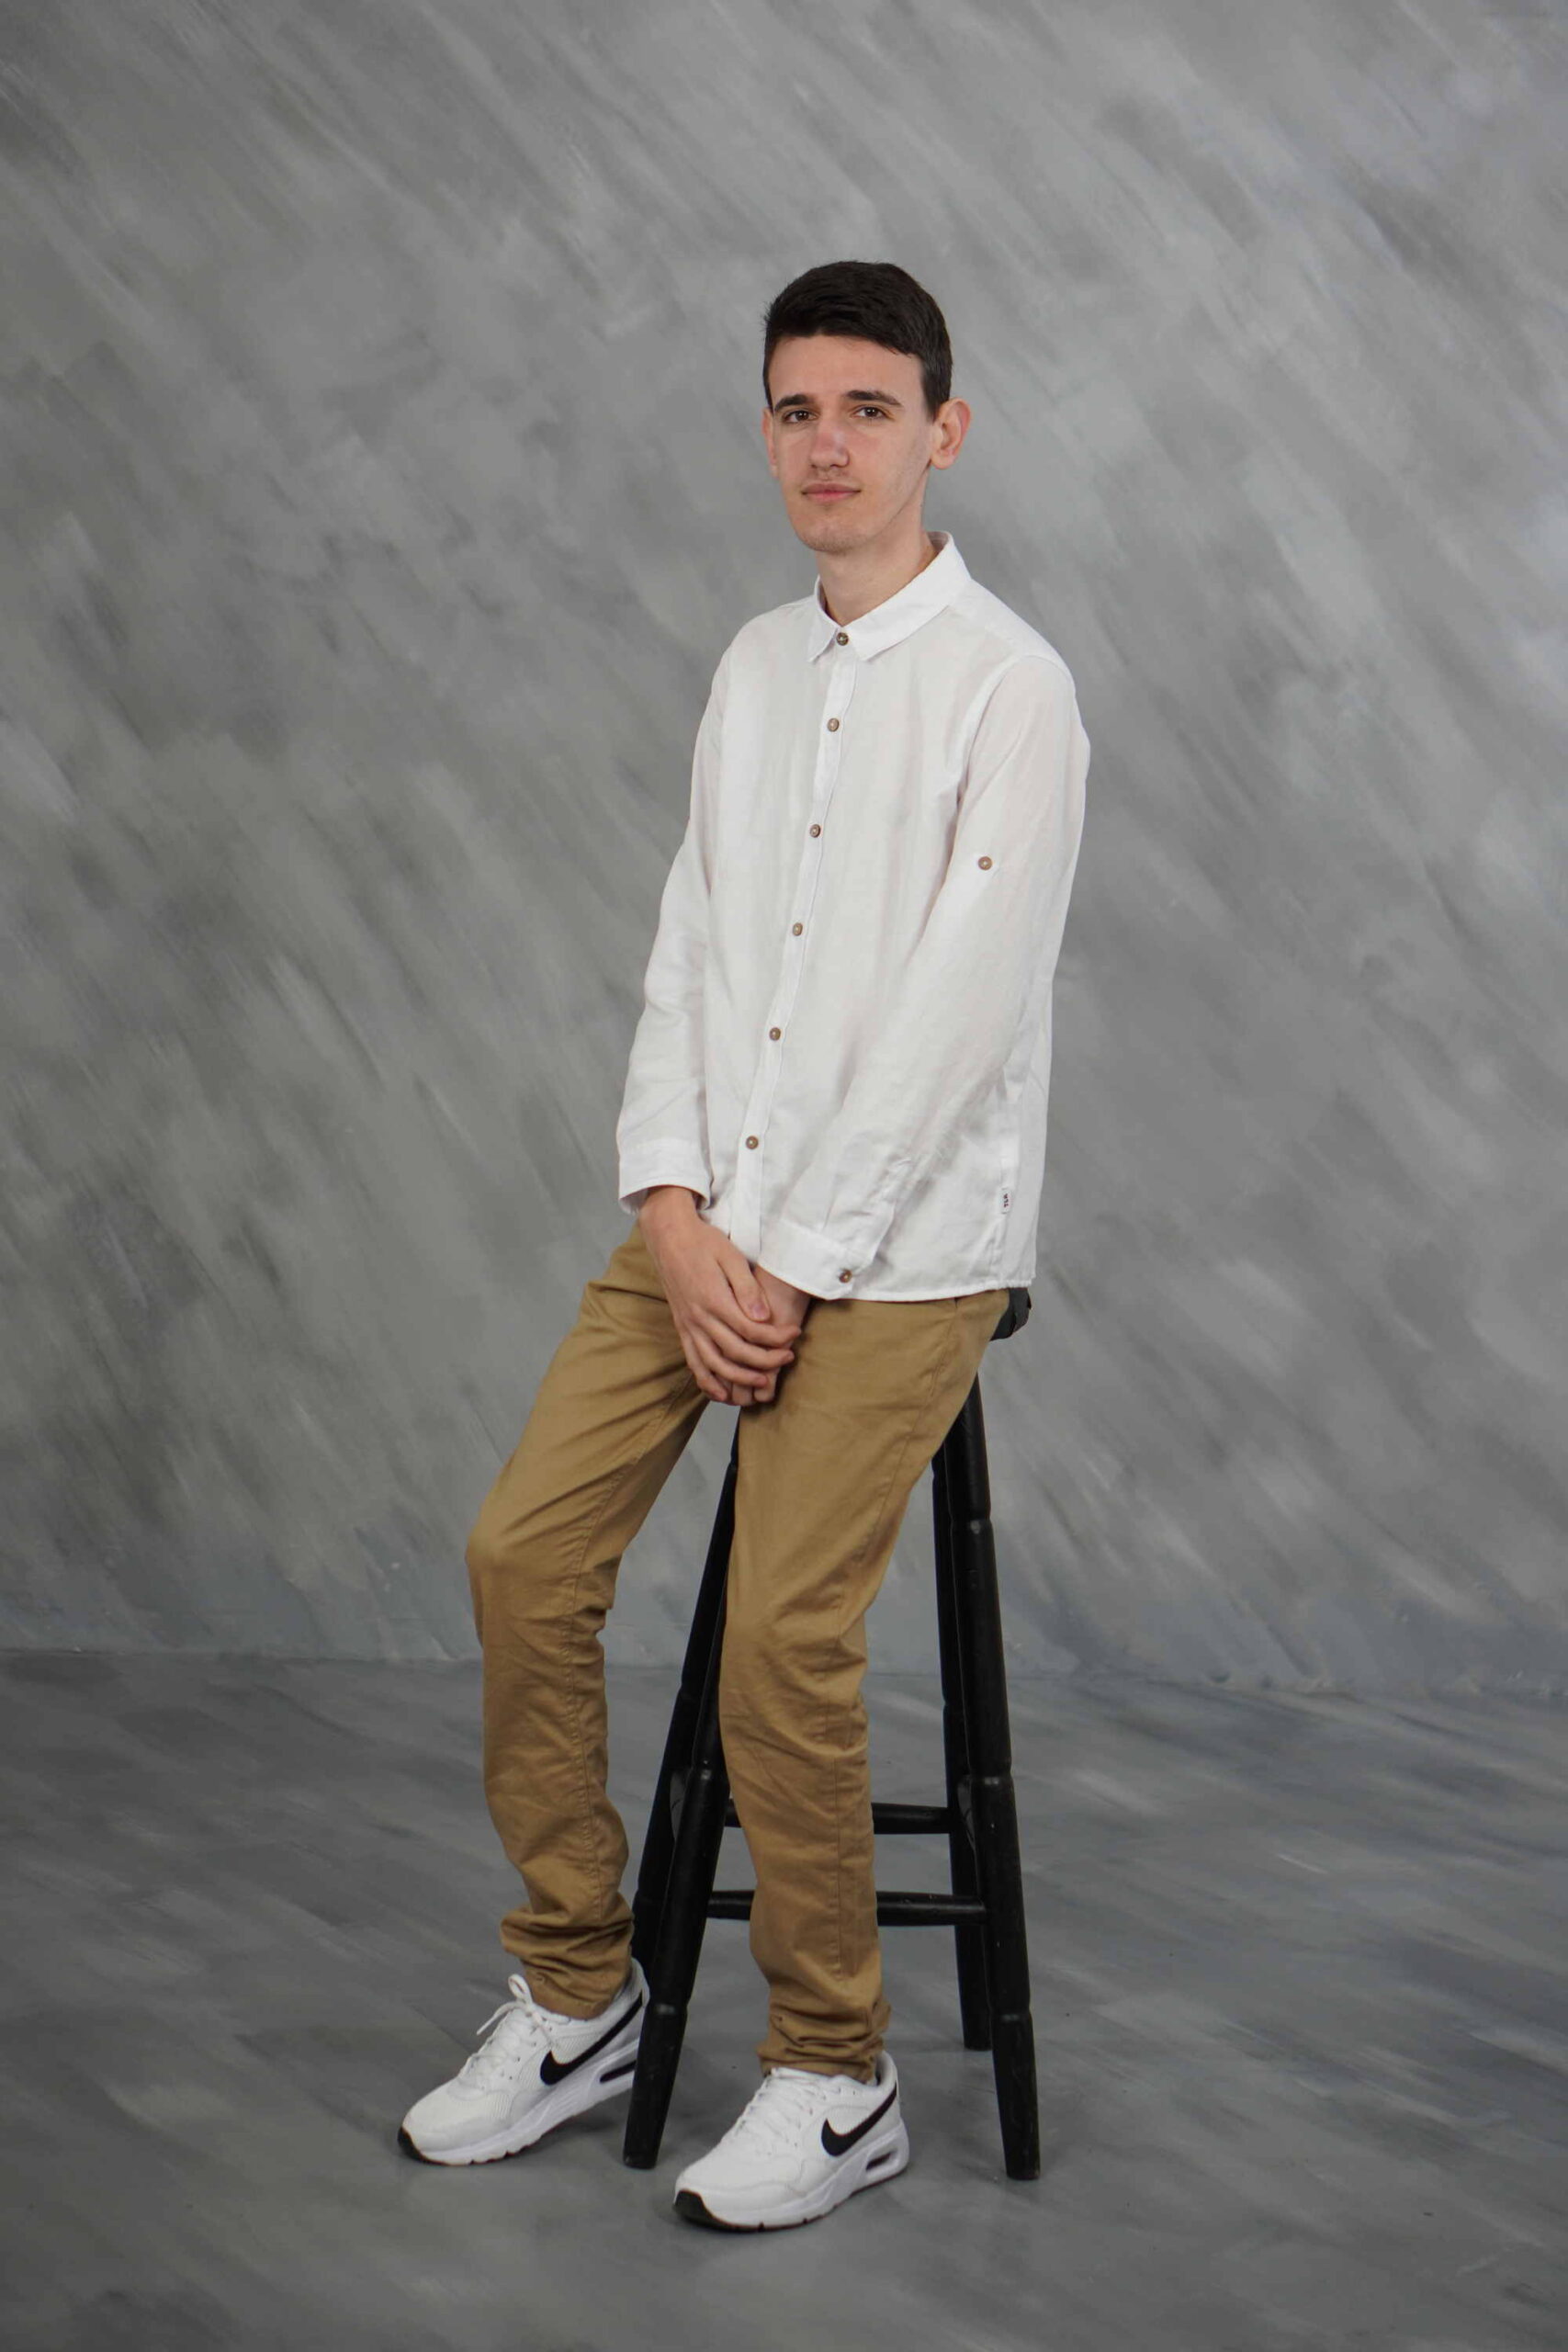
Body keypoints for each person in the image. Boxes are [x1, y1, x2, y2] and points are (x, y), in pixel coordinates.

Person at [400, 258, 1089, 2231]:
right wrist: (671, 1206)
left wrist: (783, 1259)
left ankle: (836, 2069)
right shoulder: (752, 667)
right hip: (714, 1220)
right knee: (521, 1553)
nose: (828, 444)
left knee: (783, 1638)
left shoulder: (1012, 690)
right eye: (796, 410)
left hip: (904, 1248)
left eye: (868, 408)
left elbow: (955, 1022)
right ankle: (578, 1988)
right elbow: (692, 953)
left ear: (942, 430)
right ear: (766, 432)